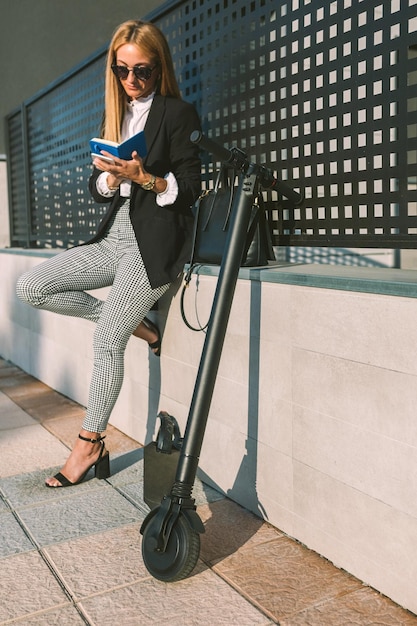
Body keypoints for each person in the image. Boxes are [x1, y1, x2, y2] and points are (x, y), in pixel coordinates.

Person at [16, 19, 201, 488]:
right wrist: (113, 177)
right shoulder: (113, 118)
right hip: (113, 238)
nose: (132, 81)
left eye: (143, 71)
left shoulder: (178, 115)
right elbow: (98, 190)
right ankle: (135, 322)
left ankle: (90, 440)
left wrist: (146, 179)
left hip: (151, 245)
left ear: (160, 67)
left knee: (105, 342)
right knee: (31, 285)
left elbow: (191, 190)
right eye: (122, 70)